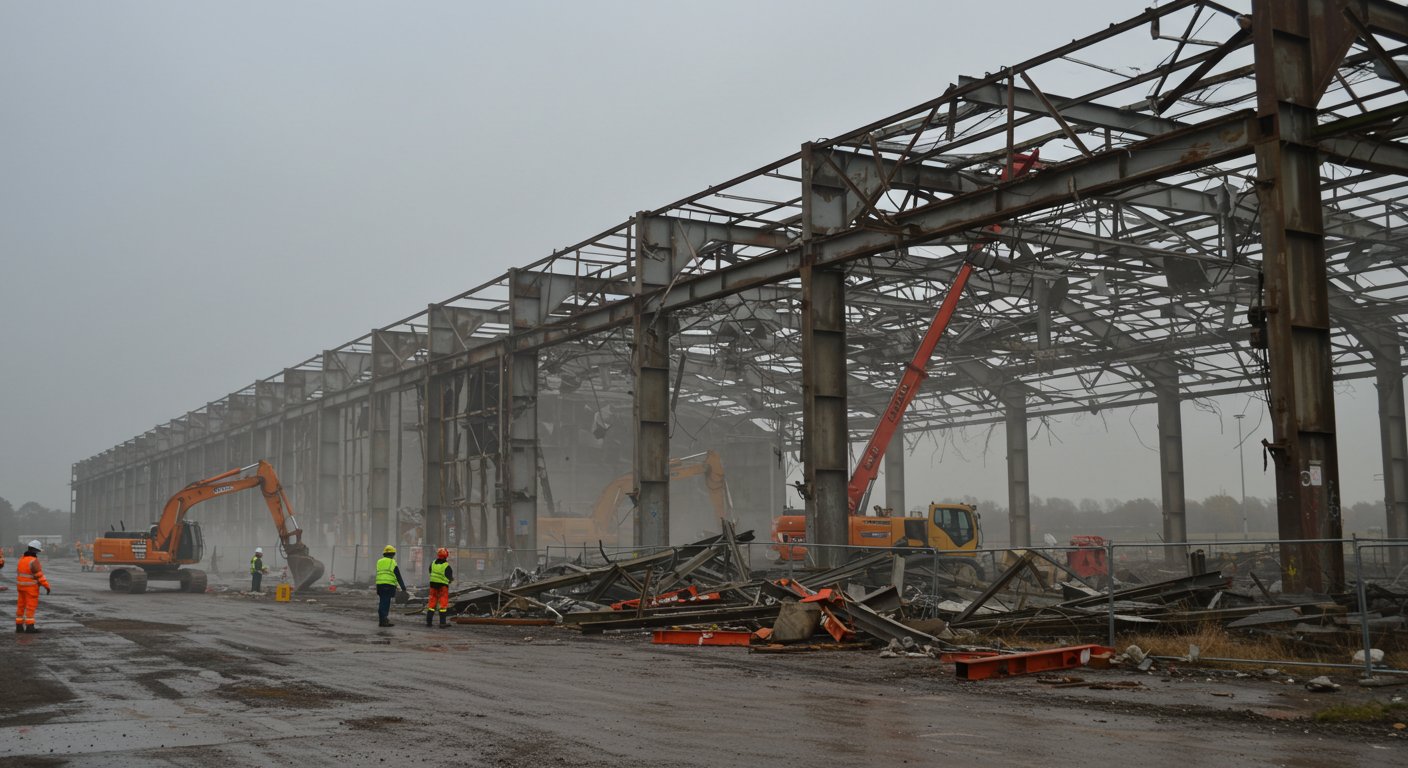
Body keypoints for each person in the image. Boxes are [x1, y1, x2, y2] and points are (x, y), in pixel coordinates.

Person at [16, 540, 51, 633]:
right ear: (36, 551)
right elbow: (39, 575)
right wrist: (46, 586)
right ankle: (29, 627)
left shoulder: (21, 559)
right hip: (31, 589)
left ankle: (19, 626)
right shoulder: (33, 561)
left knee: (21, 606)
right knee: (30, 607)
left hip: (20, 587)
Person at [375, 545, 407, 628]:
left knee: (382, 601)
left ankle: (383, 619)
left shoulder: (379, 561)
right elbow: (398, 575)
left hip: (380, 585)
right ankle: (383, 620)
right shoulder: (392, 562)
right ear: (393, 554)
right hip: (388, 585)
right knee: (385, 602)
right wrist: (403, 587)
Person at [425, 547, 454, 628]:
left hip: (433, 585)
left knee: (431, 604)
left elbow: (430, 571)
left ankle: (429, 622)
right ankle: (442, 623)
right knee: (443, 604)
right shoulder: (446, 566)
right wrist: (451, 580)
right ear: (446, 556)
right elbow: (449, 577)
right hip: (443, 587)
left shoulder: (433, 563)